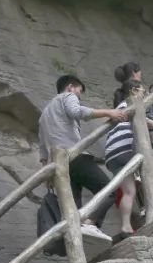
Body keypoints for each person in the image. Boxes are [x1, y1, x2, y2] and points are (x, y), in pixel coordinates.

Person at [38, 75, 127, 243]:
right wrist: (109, 112)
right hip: (75, 156)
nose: (79, 96)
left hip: (60, 167)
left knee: (74, 208)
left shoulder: (43, 116)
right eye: (79, 91)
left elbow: (43, 150)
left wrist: (47, 175)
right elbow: (77, 111)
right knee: (109, 190)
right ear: (71, 87)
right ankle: (91, 222)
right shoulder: (67, 96)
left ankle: (80, 232)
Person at [104, 80, 153, 234]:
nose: (144, 95)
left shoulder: (118, 108)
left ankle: (126, 226)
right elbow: (145, 121)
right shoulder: (130, 105)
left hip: (112, 156)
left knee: (129, 191)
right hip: (125, 150)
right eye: (142, 92)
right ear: (134, 91)